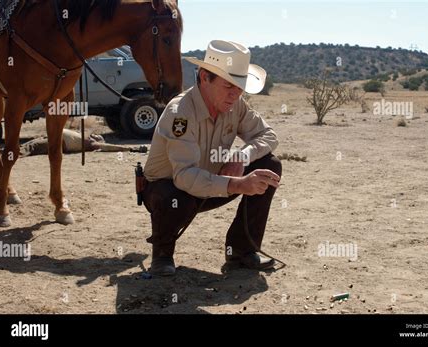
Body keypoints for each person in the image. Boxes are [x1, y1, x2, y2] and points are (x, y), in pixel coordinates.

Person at [142, 40, 282, 276]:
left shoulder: (236, 104)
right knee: (174, 196)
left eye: (240, 87)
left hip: (212, 183)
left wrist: (243, 155)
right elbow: (185, 177)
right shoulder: (181, 114)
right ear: (205, 77)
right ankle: (162, 255)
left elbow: (268, 135)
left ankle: (241, 251)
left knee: (270, 165)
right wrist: (238, 184)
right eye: (229, 85)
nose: (235, 94)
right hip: (171, 190)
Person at [19, 128, 147, 157]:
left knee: (33, 147)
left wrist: (131, 149)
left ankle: (17, 153)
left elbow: (109, 147)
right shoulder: (82, 136)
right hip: (54, 135)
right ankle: (16, 150)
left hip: (60, 142)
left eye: (97, 136)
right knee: (33, 143)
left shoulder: (91, 144)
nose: (94, 135)